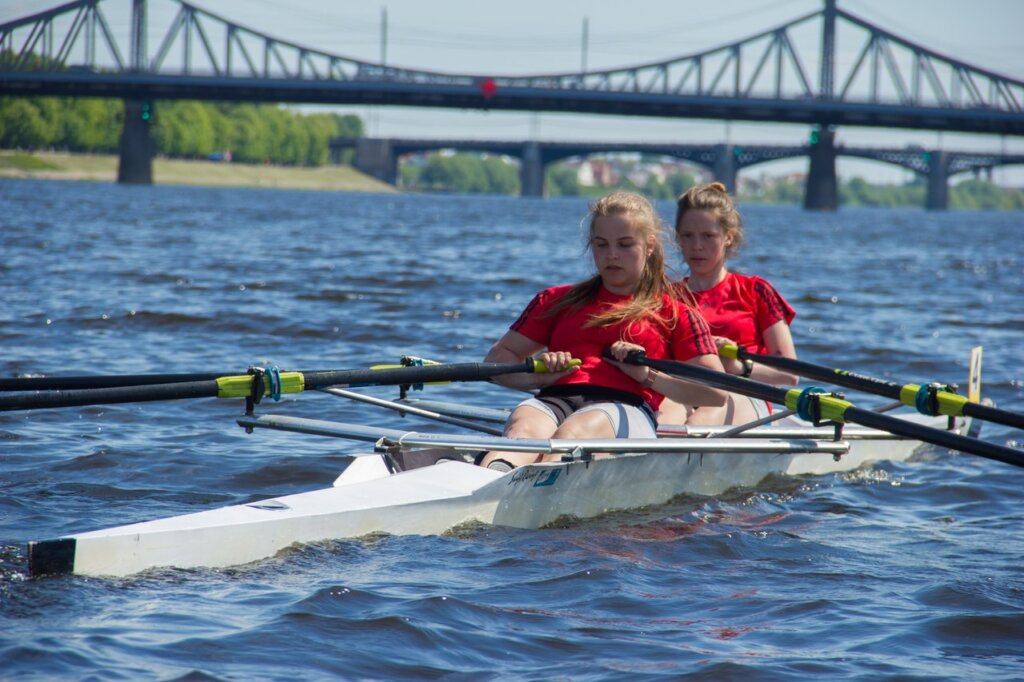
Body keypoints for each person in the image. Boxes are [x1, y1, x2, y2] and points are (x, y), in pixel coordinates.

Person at [479, 191, 728, 471]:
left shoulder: (676, 314)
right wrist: (537, 377)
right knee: (523, 428)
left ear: (649, 246)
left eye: (624, 244)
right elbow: (496, 362)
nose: (612, 255)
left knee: (574, 433)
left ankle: (535, 483)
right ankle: (493, 476)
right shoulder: (555, 301)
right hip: (555, 397)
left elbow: (716, 393)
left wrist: (646, 376)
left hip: (627, 407)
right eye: (601, 245)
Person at [658, 181, 798, 427]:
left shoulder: (756, 291)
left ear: (728, 237)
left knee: (702, 419)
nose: (696, 246)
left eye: (708, 236)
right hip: (685, 389)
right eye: (688, 236)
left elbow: (789, 375)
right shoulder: (665, 297)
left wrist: (738, 366)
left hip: (743, 391)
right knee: (664, 417)